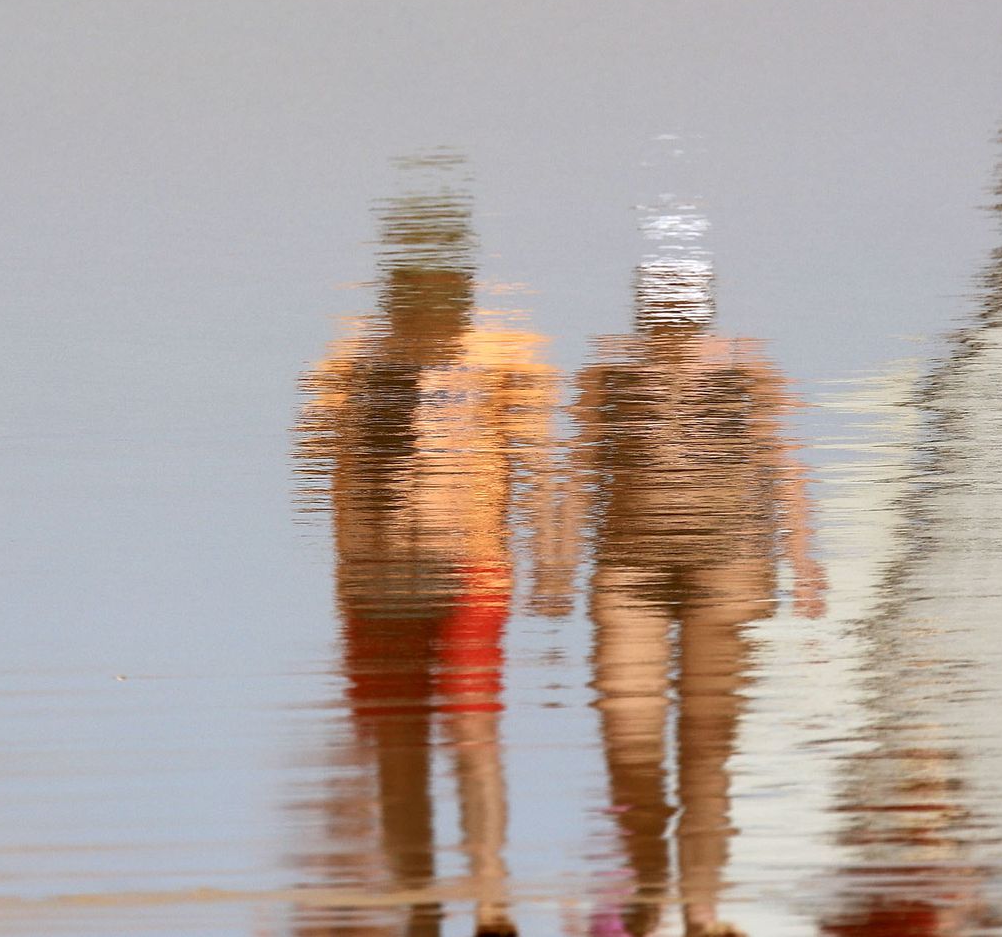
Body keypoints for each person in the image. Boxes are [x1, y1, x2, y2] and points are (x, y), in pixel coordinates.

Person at [294, 153, 559, 937]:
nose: (426, 300)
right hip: (374, 573)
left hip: (467, 563)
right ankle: (422, 909)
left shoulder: (508, 351)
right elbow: (314, 452)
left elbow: (543, 462)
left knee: (471, 729)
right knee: (402, 748)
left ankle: (490, 898)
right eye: (412, 283)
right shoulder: (352, 352)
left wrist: (550, 559)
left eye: (440, 283)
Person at [548, 187, 823, 937]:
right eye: (660, 290)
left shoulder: (745, 360)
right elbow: (578, 467)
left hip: (726, 563)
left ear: (702, 296)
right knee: (629, 741)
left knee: (706, 748)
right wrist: (554, 559)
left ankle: (701, 911)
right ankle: (650, 890)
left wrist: (805, 558)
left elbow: (785, 458)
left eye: (682, 290)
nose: (670, 304)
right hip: (628, 567)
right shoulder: (609, 367)